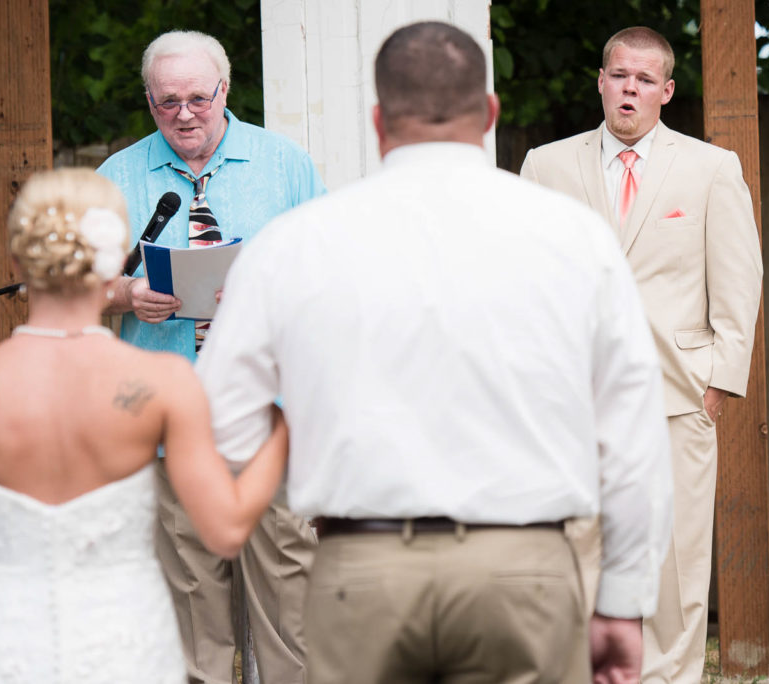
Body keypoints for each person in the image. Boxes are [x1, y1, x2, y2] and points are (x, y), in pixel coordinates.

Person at [195, 20, 673, 684]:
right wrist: (622, 600)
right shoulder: (576, 239)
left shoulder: (292, 245)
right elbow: (634, 433)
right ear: (491, 115)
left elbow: (221, 420)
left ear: (377, 119)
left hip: (360, 572)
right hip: (525, 572)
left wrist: (307, 450)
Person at [0, 168, 288, 683]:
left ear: (18, 261)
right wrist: (282, 432)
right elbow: (224, 529)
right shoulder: (163, 383)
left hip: (2, 640)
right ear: (117, 265)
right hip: (126, 643)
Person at [519, 26, 764, 684]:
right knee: (576, 549)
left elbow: (740, 281)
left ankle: (669, 678)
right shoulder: (546, 167)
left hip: (680, 396)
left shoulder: (710, 169)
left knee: (675, 559)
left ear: (667, 91)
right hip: (574, 398)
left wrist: (720, 381)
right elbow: (525, 281)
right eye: (619, 75)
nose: (630, 89)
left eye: (645, 80)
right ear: (601, 81)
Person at [97, 30, 325, 684]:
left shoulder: (284, 165)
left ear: (225, 91)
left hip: (270, 422)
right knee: (193, 626)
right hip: (169, 428)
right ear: (148, 101)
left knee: (293, 622)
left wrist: (266, 290)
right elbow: (75, 289)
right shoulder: (118, 177)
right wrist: (126, 294)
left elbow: (334, 280)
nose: (185, 114)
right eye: (167, 102)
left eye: (199, 97)